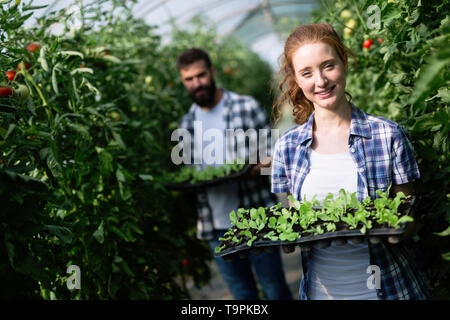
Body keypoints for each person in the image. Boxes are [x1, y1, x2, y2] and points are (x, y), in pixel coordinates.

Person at [271, 23, 430, 300]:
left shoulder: (387, 135)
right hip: (320, 292)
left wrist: (395, 228)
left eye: (328, 65)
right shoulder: (287, 148)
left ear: (344, 62)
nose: (320, 81)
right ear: (296, 79)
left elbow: (409, 216)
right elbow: (292, 217)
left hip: (391, 289)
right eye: (306, 73)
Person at [175, 48, 292, 300]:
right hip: (215, 226)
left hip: (256, 217)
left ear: (212, 72)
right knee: (241, 295)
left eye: (201, 75)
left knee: (275, 290)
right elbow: (190, 174)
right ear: (183, 81)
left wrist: (254, 167)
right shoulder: (186, 125)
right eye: (189, 79)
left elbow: (274, 159)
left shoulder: (245, 107)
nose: (197, 84)